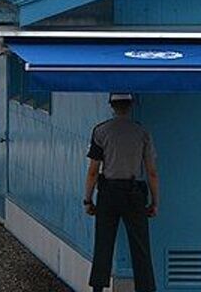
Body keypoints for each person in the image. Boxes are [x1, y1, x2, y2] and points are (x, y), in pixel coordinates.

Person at [84, 92, 159, 292]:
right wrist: (154, 201)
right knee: (140, 245)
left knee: (103, 242)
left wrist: (88, 200)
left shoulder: (101, 131)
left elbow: (93, 171)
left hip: (108, 191)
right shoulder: (142, 133)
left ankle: (98, 288)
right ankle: (146, 288)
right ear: (131, 105)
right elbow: (151, 172)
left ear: (111, 105)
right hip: (134, 192)